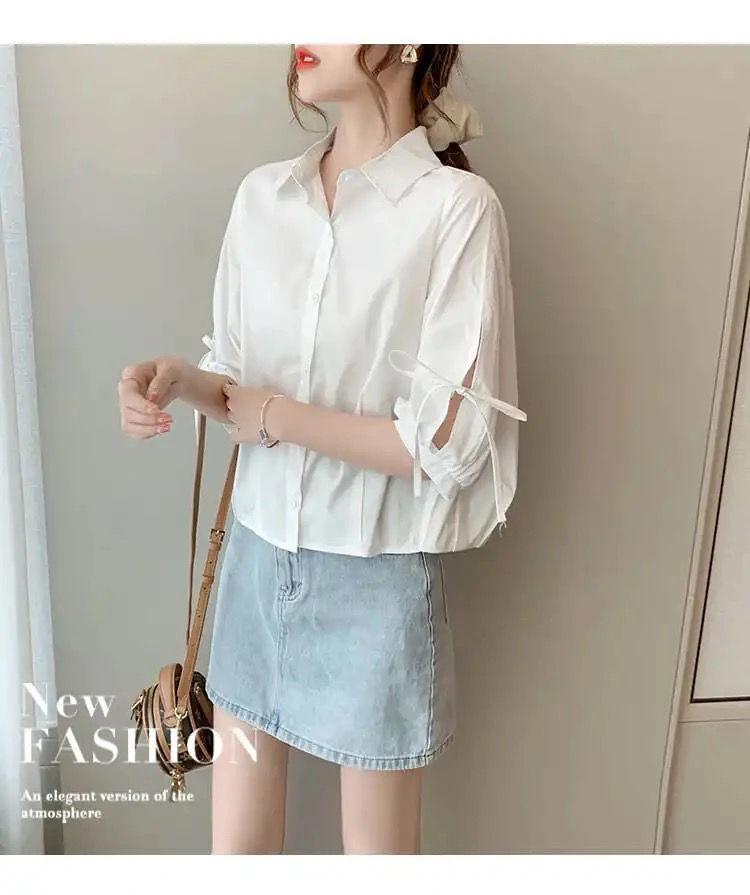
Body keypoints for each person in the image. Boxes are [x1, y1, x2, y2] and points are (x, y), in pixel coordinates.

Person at [117, 44, 527, 855]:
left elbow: (441, 443)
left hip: (375, 579)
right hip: (254, 560)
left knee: (376, 858)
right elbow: (238, 381)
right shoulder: (263, 197)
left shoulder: (456, 209)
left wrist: (277, 415)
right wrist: (180, 381)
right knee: (236, 855)